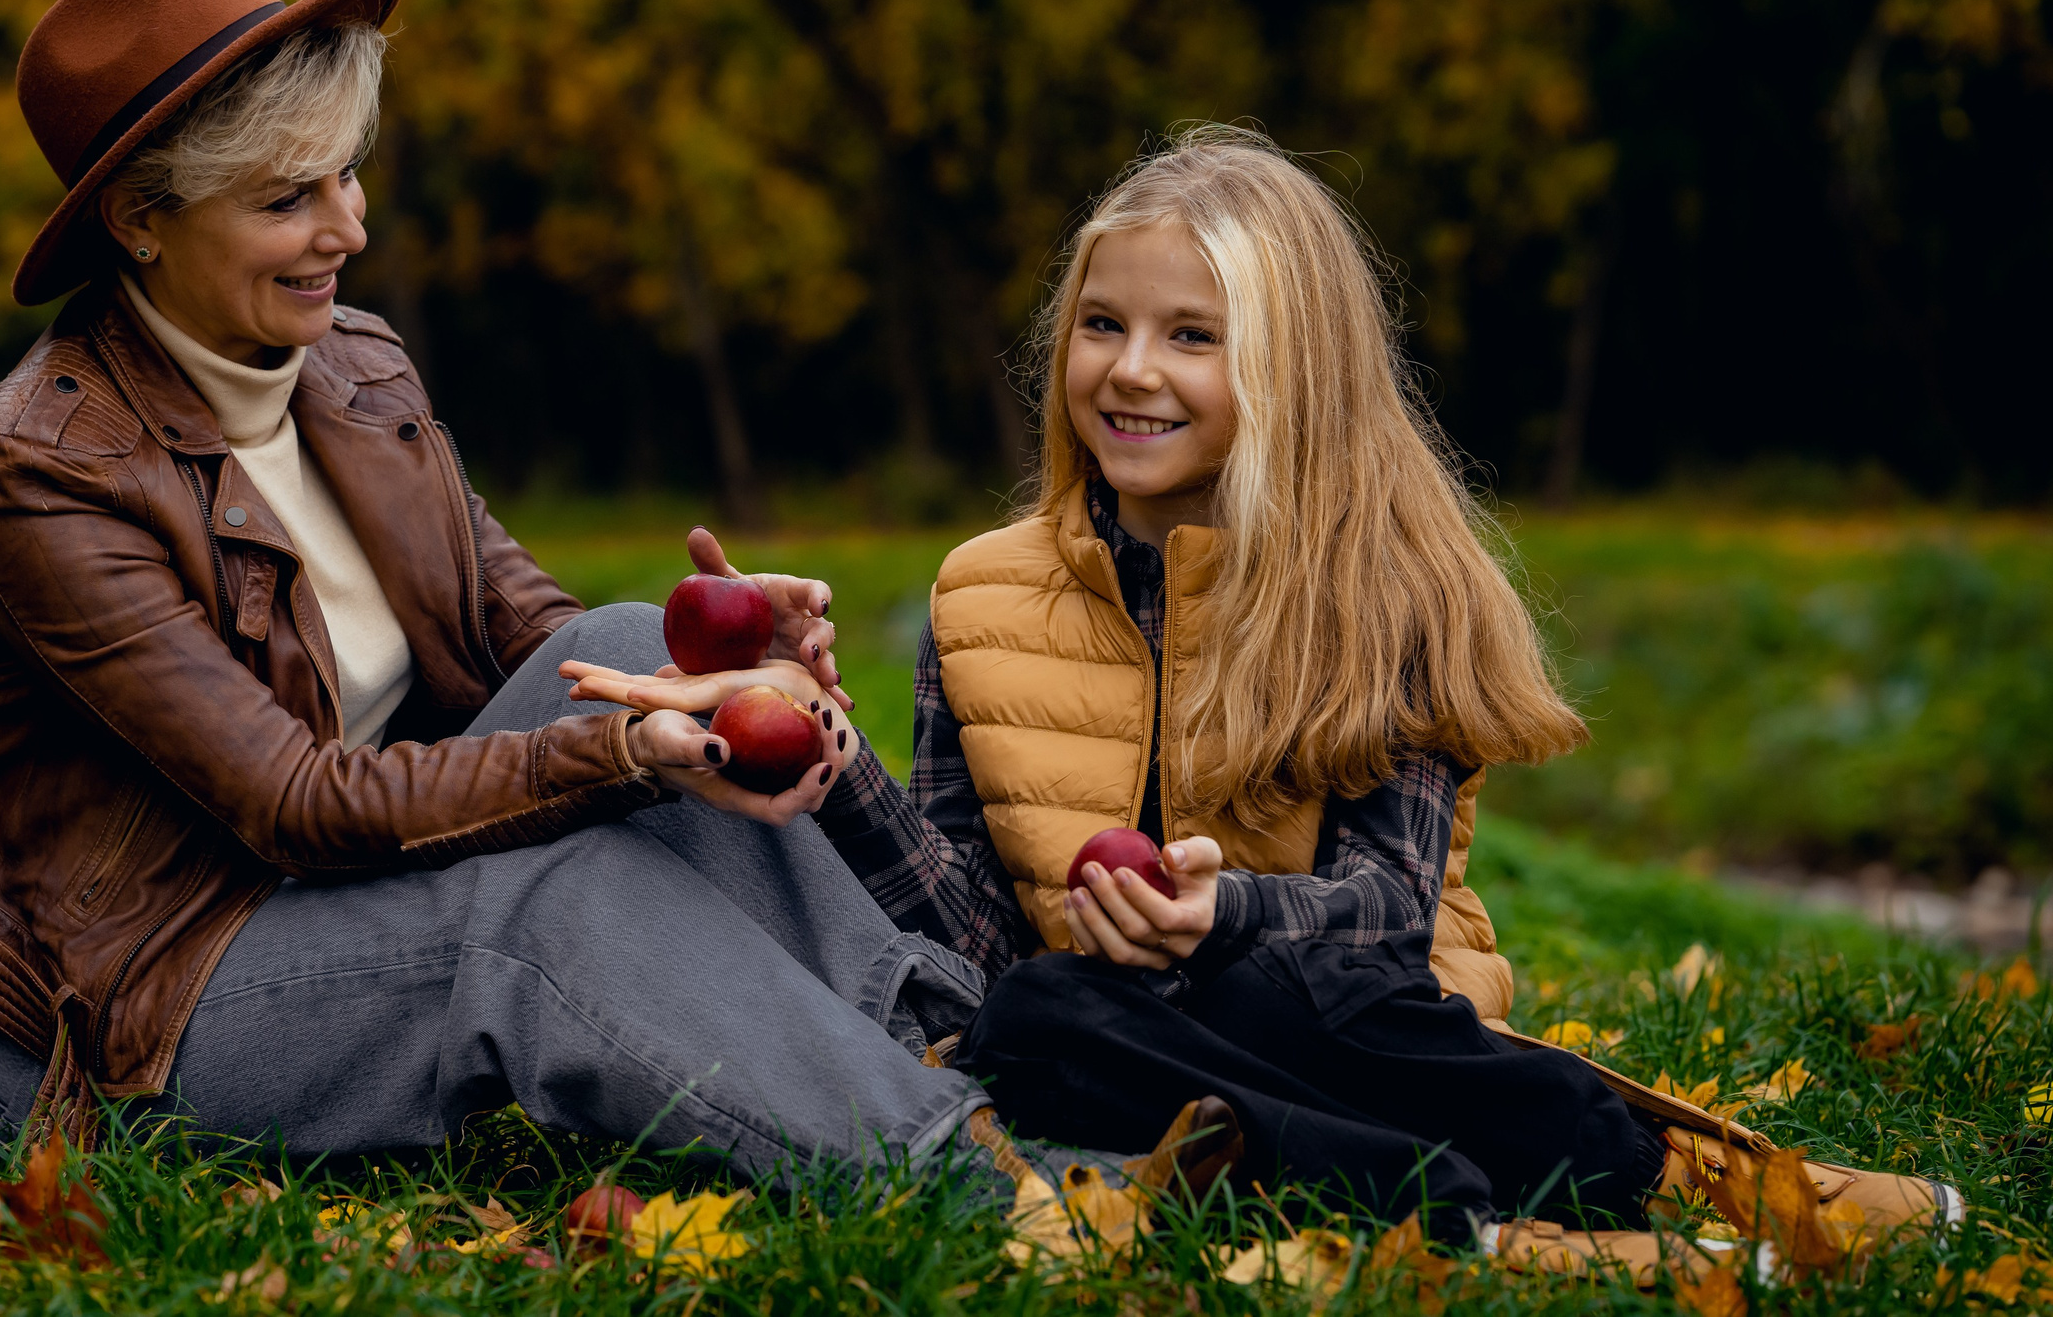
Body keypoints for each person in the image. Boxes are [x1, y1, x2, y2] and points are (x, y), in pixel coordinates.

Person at [566, 126, 1959, 1249]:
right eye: (1101, 323)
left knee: (1296, 997)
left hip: (1358, 1023)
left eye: (1192, 336)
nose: (1130, 370)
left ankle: (1708, 1179)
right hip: (1127, 1040)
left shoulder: (1386, 588)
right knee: (1030, 1017)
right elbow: (976, 936)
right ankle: (1473, 1225)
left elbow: (1384, 918)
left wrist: (1217, 913)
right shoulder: (978, 594)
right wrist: (830, 751)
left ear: (1294, 370)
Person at [0, 0, 989, 1175]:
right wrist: (620, 756)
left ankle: (949, 1046)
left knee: (628, 643)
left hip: (364, 883)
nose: (347, 230)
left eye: (346, 175)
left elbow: (543, 645)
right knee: (546, 903)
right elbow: (291, 805)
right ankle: (971, 1176)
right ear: (139, 221)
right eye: (285, 200)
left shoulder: (354, 366)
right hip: (151, 1002)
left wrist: (716, 666)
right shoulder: (44, 472)